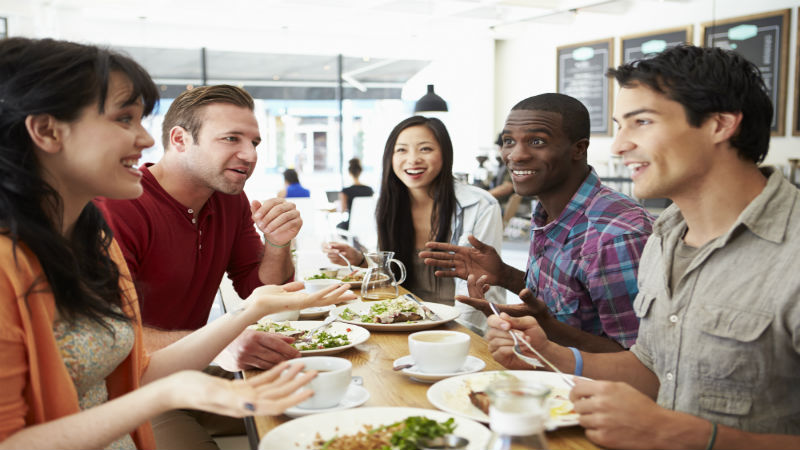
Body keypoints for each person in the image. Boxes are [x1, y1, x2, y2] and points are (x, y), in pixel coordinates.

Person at [0, 37, 352, 449]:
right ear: (46, 130)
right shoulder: (100, 221)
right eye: (123, 119)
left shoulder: (81, 233)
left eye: (253, 142)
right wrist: (182, 381)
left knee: (331, 407)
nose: (148, 140)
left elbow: (133, 363)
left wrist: (265, 273)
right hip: (145, 400)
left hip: (162, 382)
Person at [487, 45, 800, 449]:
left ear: (720, 125)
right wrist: (551, 354)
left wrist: (686, 436)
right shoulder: (665, 237)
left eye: (642, 123)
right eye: (619, 126)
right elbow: (654, 367)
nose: (618, 146)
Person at [95, 84, 357, 448]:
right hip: (129, 387)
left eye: (255, 143)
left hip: (198, 366)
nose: (249, 155)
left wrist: (278, 243)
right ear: (180, 139)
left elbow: (259, 288)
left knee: (331, 407)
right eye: (231, 138)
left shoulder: (229, 200)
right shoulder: (122, 205)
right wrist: (220, 345)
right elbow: (111, 338)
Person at [421, 93, 653, 352]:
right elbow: (565, 302)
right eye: (509, 141)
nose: (516, 155)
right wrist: (505, 275)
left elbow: (641, 361)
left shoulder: (615, 234)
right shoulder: (547, 211)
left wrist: (547, 329)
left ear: (579, 148)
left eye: (536, 141)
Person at [323, 116, 504, 333]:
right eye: (402, 150)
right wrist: (361, 260)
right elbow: (394, 276)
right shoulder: (388, 206)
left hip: (461, 330)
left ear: (445, 154)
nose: (413, 159)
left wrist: (460, 337)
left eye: (425, 149)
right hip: (404, 323)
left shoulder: (480, 205)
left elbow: (481, 292)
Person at [336, 157, 374, 230]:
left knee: (339, 226)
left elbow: (342, 210)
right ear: (360, 171)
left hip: (351, 226)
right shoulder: (369, 190)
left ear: (349, 172)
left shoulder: (345, 191)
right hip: (368, 225)